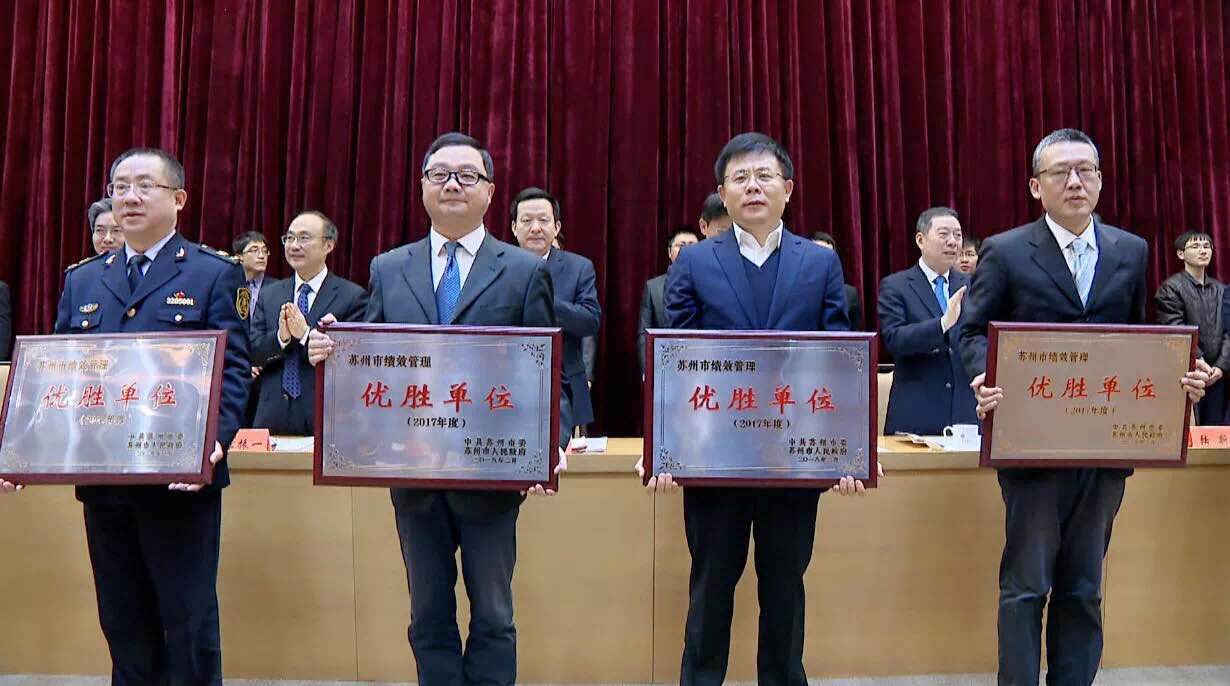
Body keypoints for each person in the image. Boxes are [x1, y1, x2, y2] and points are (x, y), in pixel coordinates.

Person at [306, 132, 563, 686]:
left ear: (489, 191)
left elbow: (547, 372)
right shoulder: (388, 267)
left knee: (493, 613)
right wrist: (334, 348)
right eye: (439, 174)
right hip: (413, 471)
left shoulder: (524, 271)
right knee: (427, 613)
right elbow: (373, 359)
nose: (452, 184)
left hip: (491, 473)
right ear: (421, 187)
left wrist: (552, 441)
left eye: (467, 175)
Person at [957, 128, 1209, 686]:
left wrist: (1181, 376)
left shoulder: (1130, 250)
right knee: (1026, 587)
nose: (1075, 182)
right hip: (1031, 448)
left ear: (1099, 179)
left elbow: (1142, 340)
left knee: (1084, 587)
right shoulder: (1005, 250)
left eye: (1086, 170)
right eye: (1060, 172)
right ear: (1035, 186)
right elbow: (972, 332)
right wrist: (982, 374)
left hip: (1104, 449)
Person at [3, 148, 251, 684]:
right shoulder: (84, 280)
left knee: (187, 622)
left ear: (178, 199)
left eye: (144, 186)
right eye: (119, 187)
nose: (129, 197)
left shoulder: (213, 273)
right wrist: (25, 448)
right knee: (123, 621)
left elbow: (233, 369)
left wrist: (216, 441)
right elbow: (62, 374)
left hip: (179, 481)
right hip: (106, 483)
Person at [647, 132, 874, 686]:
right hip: (714, 462)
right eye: (740, 178)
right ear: (722, 193)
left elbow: (837, 361)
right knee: (710, 586)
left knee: (785, 587)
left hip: (793, 460)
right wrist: (665, 446)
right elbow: (677, 362)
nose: (753, 186)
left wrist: (847, 452)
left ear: (788, 189)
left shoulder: (819, 264)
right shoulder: (694, 263)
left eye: (764, 176)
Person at [249, 212, 366, 435]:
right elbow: (253, 353)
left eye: (304, 238)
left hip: (327, 420)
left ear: (329, 245)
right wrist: (281, 338)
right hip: (272, 418)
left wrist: (305, 335)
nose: (294, 245)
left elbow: (355, 362)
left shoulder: (352, 297)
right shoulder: (269, 294)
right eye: (289, 238)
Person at [510, 187, 601, 443]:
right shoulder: (498, 266)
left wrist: (542, 298)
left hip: (564, 387)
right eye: (527, 221)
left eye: (543, 220)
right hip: (508, 384)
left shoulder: (579, 267)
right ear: (514, 228)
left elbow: (590, 320)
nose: (535, 228)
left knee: (560, 462)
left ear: (557, 226)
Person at [877, 207, 978, 435]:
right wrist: (942, 324)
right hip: (916, 416)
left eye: (958, 235)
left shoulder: (971, 285)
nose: (953, 242)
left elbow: (979, 339)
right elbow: (894, 340)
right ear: (921, 240)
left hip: (965, 417)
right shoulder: (896, 286)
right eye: (944, 234)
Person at [1155, 231, 1229, 423]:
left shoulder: (1221, 289)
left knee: (1217, 433)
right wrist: (1197, 360)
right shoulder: (1170, 288)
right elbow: (1174, 328)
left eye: (1206, 246)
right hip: (1187, 374)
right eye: (1195, 246)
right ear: (1181, 254)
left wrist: (1221, 366)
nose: (1203, 251)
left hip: (1218, 376)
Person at [638, 226, 701, 375]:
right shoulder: (653, 287)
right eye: (681, 245)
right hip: (665, 367)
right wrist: (647, 370)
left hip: (702, 364)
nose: (687, 251)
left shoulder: (710, 284)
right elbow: (644, 333)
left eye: (692, 245)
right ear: (669, 252)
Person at [810, 231, 863, 330]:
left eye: (829, 256)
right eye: (819, 255)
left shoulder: (849, 294)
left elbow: (856, 333)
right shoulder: (795, 290)